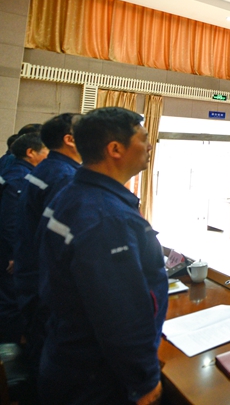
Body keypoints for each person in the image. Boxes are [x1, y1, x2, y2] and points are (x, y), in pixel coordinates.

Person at [39, 107, 166, 405]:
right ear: (115, 149)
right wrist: (144, 380)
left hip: (67, 351)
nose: (150, 146)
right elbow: (120, 312)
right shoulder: (106, 218)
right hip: (96, 375)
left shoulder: (74, 193)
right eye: (144, 138)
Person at [15, 114, 81, 379]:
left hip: (31, 273)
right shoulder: (64, 176)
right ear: (70, 139)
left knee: (38, 344)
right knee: (47, 354)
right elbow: (61, 242)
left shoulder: (48, 168)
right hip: (46, 282)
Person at [0, 132, 49, 343]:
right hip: (9, 251)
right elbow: (11, 220)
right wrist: (13, 254)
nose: (48, 155)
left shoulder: (12, 170)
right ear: (31, 152)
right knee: (10, 300)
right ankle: (9, 350)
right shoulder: (20, 177)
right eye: (45, 151)